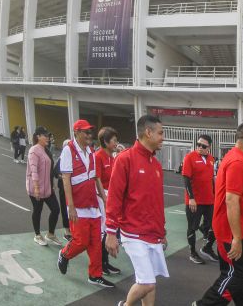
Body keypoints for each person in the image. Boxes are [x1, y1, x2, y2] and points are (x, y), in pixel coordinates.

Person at [195, 123, 243, 306]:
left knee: (242, 276)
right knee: (236, 275)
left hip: (237, 231)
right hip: (232, 232)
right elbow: (231, 200)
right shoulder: (237, 162)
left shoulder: (238, 159)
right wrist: (236, 238)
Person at [106, 115, 168, 306]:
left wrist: (162, 231)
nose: (162, 137)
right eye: (160, 133)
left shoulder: (156, 165)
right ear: (147, 133)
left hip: (152, 233)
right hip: (132, 233)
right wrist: (110, 232)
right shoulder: (125, 159)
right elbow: (114, 197)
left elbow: (156, 202)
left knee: (150, 282)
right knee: (147, 282)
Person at [57, 119, 114, 288]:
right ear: (77, 133)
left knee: (96, 242)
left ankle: (95, 275)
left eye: (91, 132)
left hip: (92, 205)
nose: (90, 135)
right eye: (86, 132)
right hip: (78, 206)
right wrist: (71, 207)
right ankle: (65, 254)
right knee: (81, 241)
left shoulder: (90, 151)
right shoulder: (68, 150)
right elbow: (66, 179)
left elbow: (95, 177)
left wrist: (103, 197)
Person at [183, 134, 219, 265]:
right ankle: (193, 253)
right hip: (194, 202)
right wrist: (191, 198)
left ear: (209, 147)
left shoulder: (211, 159)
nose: (199, 147)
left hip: (209, 200)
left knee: (215, 226)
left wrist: (216, 195)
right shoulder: (189, 157)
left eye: (203, 146)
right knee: (192, 227)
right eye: (198, 144)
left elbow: (211, 179)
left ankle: (207, 248)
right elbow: (186, 179)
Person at [26, 127, 62, 246]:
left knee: (56, 209)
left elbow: (49, 170)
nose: (48, 138)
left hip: (47, 188)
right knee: (38, 210)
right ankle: (37, 235)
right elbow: (33, 170)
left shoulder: (46, 150)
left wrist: (51, 184)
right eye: (45, 135)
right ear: (38, 137)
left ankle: (50, 234)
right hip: (36, 188)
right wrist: (36, 188)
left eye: (48, 135)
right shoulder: (34, 150)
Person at [94, 126, 121, 276]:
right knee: (104, 230)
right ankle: (102, 264)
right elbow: (97, 178)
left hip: (110, 194)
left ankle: (106, 263)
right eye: (114, 140)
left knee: (109, 229)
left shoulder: (112, 157)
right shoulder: (99, 156)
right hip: (102, 195)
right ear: (105, 142)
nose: (116, 143)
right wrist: (104, 199)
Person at [53, 139, 72, 241]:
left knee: (73, 208)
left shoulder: (74, 157)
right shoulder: (61, 158)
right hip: (63, 187)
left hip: (73, 187)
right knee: (65, 208)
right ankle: (67, 231)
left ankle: (73, 229)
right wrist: (64, 176)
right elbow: (55, 172)